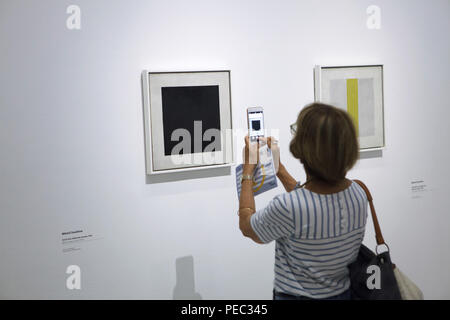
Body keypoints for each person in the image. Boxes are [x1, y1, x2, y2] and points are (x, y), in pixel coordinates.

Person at [238, 102, 368, 300]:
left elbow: (249, 228)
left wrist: (247, 170)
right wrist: (279, 168)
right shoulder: (359, 194)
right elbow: (310, 201)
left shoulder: (289, 207)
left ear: (303, 147)